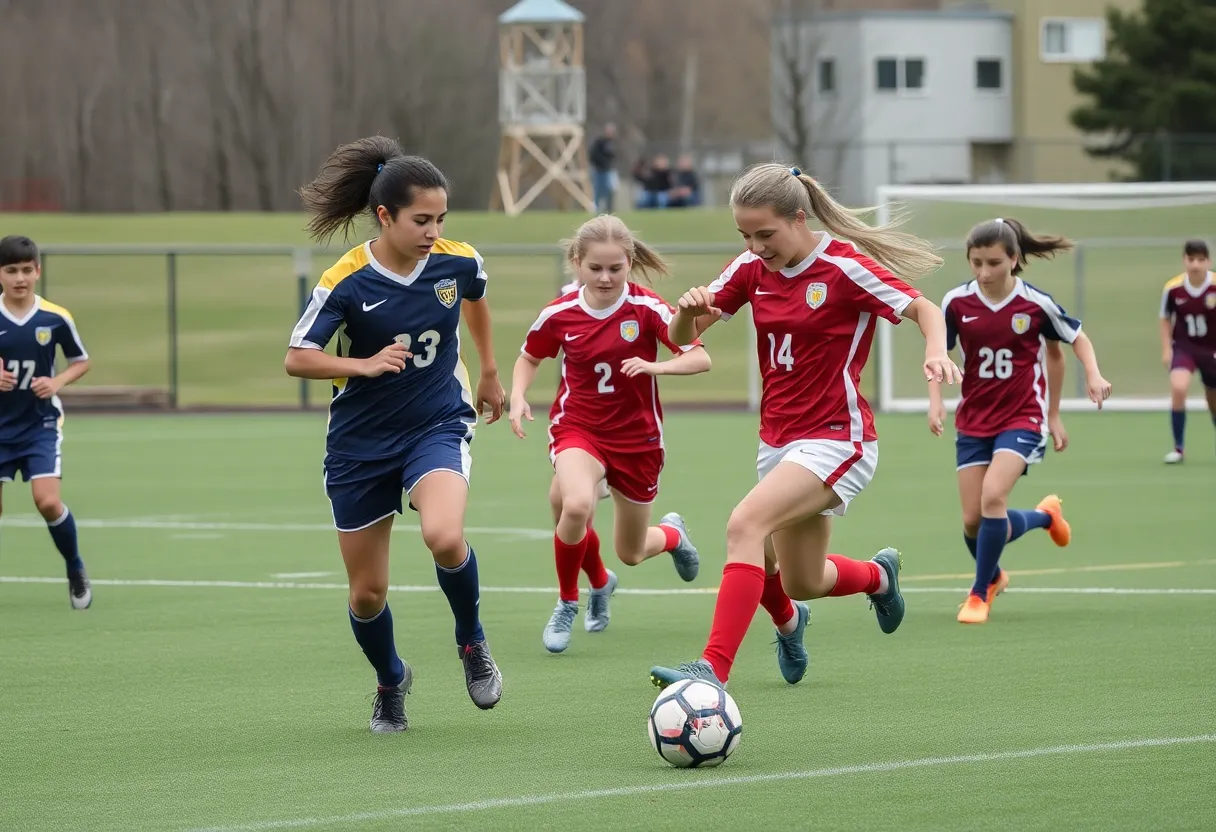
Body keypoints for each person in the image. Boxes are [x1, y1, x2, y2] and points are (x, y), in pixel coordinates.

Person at [649, 163, 959, 691]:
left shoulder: (844, 267)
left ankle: (711, 670)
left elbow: (926, 309)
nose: (754, 246)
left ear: (799, 217)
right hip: (778, 440)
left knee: (744, 525)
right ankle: (878, 578)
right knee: (802, 579)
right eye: (744, 235)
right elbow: (680, 336)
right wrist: (685, 312)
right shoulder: (751, 269)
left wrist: (935, 351)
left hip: (839, 438)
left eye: (764, 233)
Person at [284, 137, 506, 733]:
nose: (434, 231)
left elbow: (475, 299)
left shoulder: (458, 261)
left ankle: (471, 641)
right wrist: (363, 364)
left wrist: (487, 370)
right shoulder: (346, 280)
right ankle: (391, 680)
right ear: (385, 216)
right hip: (359, 444)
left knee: (443, 534)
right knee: (367, 595)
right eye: (421, 220)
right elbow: (298, 357)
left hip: (436, 422)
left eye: (440, 218)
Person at [509, 215, 708, 654]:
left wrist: (657, 366)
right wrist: (518, 396)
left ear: (629, 263)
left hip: (638, 441)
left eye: (615, 269)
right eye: (595, 268)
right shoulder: (559, 312)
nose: (605, 277)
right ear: (576, 263)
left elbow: (699, 358)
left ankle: (670, 537)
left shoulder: (648, 308)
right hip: (578, 428)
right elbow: (528, 357)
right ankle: (567, 601)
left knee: (632, 552)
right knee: (572, 503)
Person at [928, 218, 1112, 625]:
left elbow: (1074, 339)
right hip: (974, 419)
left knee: (993, 497)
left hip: (1022, 417)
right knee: (974, 520)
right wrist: (936, 402)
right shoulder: (956, 303)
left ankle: (979, 594)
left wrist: (1091, 378)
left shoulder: (1035, 304)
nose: (984, 272)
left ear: (1014, 259)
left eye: (994, 262)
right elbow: (937, 352)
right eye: (976, 262)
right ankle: (1043, 521)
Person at [0, 235, 92, 610]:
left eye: (26, 270)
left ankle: (75, 568)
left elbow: (81, 361)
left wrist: (56, 382)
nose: (19, 278)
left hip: (40, 425)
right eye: (11, 271)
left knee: (47, 502)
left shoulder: (54, 317)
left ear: (37, 271)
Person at [1159, 239, 1216, 464]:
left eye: (1201, 260)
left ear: (1208, 261)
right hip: (1185, 348)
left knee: (1213, 401)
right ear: (1184, 260)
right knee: (1178, 387)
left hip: (1212, 350)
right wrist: (1166, 349)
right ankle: (1179, 448)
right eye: (1191, 259)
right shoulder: (1173, 289)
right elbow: (1164, 318)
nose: (1195, 265)